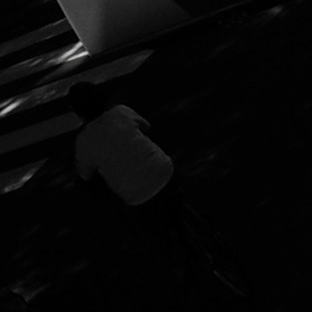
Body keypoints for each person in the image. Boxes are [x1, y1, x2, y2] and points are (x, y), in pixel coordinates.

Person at [68, 83, 239, 296]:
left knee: (151, 232)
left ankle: (179, 267)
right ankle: (200, 225)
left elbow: (85, 175)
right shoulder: (121, 111)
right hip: (163, 171)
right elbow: (146, 127)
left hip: (136, 196)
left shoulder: (83, 142)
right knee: (176, 199)